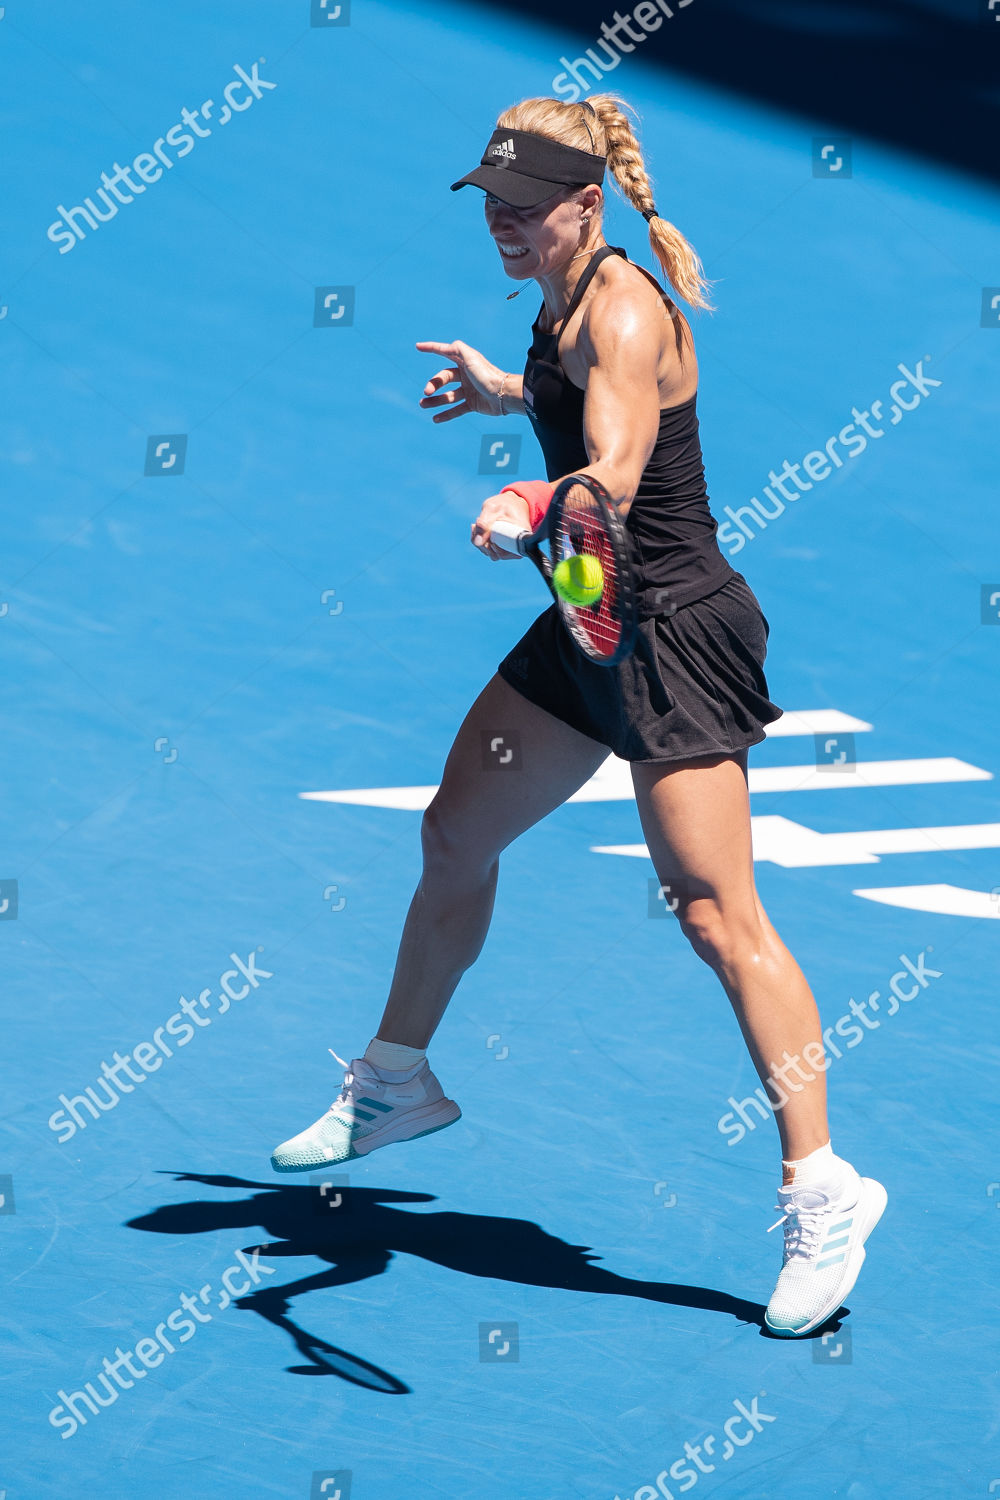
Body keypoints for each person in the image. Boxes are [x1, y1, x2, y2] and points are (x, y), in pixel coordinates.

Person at [271, 92, 886, 1338]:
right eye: (488, 204)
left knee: (716, 915)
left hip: (675, 637)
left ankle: (825, 1189)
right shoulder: (560, 299)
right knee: (455, 832)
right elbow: (582, 405)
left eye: (523, 206)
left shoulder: (621, 309)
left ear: (584, 202)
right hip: (588, 614)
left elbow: (611, 470)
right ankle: (396, 1081)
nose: (501, 224)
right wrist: (511, 393)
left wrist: (527, 502)